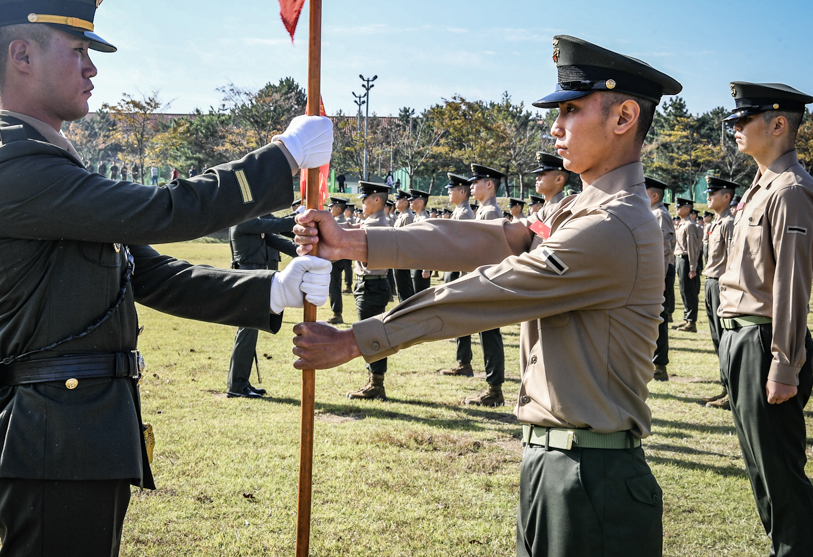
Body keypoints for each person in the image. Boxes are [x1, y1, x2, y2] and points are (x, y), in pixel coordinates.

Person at [0, 0, 333, 556]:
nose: (92, 67)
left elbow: (151, 274)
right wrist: (279, 159)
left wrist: (270, 292)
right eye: (78, 49)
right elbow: (164, 210)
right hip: (50, 445)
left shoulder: (46, 164)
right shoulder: (13, 167)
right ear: (22, 54)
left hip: (77, 438)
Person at [292, 34, 681, 557]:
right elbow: (490, 239)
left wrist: (359, 339)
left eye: (570, 109)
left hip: (594, 475)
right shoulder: (579, 208)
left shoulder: (612, 224)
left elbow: (489, 291)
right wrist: (355, 240)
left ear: (623, 117)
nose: (555, 127)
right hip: (557, 461)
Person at [718, 81, 813, 555]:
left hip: (766, 341)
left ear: (778, 125)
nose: (735, 128)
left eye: (743, 120)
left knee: (779, 474)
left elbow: (792, 286)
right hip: (739, 339)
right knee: (760, 469)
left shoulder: (792, 190)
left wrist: (784, 364)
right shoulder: (761, 188)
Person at [226, 212, 304, 398]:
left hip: (256, 281)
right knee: (247, 332)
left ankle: (241, 382)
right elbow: (273, 224)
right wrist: (298, 219)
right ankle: (237, 386)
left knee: (250, 333)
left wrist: (305, 250)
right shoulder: (242, 219)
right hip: (247, 279)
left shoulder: (256, 224)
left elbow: (281, 243)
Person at [461, 164, 507, 407]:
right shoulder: (484, 211)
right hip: (488, 281)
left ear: (489, 184)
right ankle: (493, 386)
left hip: (489, 281)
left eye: (476, 181)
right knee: (488, 335)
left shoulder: (489, 212)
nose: (471, 186)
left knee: (490, 336)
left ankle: (494, 389)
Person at [346, 181, 393, 400]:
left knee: (372, 336)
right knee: (370, 334)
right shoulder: (372, 222)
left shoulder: (376, 225)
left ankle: (376, 384)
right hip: (370, 283)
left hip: (372, 283)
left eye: (365, 198)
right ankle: (374, 381)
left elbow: (369, 259)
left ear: (377, 200)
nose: (362, 202)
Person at [699, 175, 738, 408]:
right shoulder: (716, 222)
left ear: (726, 196)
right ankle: (725, 387)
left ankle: (731, 392)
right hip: (710, 281)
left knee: (725, 339)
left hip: (721, 284)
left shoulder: (729, 223)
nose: (709, 197)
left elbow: (733, 258)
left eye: (713, 193)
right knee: (716, 338)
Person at [439, 173, 476, 378]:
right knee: (458, 318)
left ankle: (464, 362)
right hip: (455, 271)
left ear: (462, 192)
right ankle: (462, 361)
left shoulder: (464, 214)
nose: (449, 193)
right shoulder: (459, 212)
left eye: (452, 190)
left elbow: (462, 249)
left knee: (462, 319)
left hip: (460, 273)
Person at [645, 177, 676, 382]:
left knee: (660, 318)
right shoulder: (652, 214)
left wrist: (661, 276)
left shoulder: (660, 215)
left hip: (661, 273)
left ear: (654, 196)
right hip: (655, 272)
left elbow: (664, 249)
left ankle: (659, 365)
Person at [673, 197, 701, 332]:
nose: (676, 209)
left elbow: (692, 248)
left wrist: (692, 267)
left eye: (680, 206)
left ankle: (691, 322)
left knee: (689, 291)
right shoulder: (682, 224)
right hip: (679, 259)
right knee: (683, 291)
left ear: (687, 209)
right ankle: (686, 319)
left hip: (686, 260)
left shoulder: (689, 225)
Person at [326, 196, 351, 324]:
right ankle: (337, 312)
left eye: (332, 207)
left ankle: (337, 313)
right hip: (342, 258)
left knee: (334, 286)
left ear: (338, 208)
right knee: (335, 285)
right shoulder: (344, 221)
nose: (330, 209)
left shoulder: (336, 223)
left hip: (334, 259)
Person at [391, 190, 415, 303]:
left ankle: (406, 311)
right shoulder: (402, 216)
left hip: (403, 258)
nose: (395, 202)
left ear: (405, 202)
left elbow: (408, 240)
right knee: (400, 287)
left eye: (398, 200)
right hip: (398, 257)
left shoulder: (407, 217)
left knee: (405, 288)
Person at [407, 189, 432, 294]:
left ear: (421, 202)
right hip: (415, 261)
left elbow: (428, 245)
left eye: (413, 200)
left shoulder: (425, 219)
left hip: (422, 264)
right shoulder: (417, 217)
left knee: (421, 294)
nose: (410, 202)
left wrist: (426, 268)